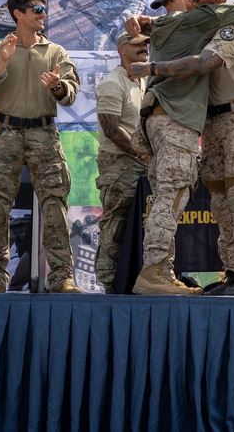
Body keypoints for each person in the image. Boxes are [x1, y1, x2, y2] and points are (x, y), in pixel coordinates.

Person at [126, 0, 234, 296]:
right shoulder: (198, 24)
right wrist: (141, 21)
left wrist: (152, 69)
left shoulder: (233, 28)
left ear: (215, 3)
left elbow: (206, 63)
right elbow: (164, 25)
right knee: (220, 200)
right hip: (211, 122)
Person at [0, 0, 81, 294]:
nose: (43, 13)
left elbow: (70, 94)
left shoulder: (56, 52)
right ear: (18, 14)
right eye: (37, 9)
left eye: (44, 9)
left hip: (44, 133)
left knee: (55, 204)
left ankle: (62, 277)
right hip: (6, 131)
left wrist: (58, 86)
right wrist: (1, 64)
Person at [93, 32, 152, 293]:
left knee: (143, 224)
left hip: (143, 163)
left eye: (145, 43)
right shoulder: (111, 83)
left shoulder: (145, 80)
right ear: (121, 49)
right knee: (116, 223)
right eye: (137, 44)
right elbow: (111, 129)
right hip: (118, 164)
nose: (144, 47)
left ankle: (137, 280)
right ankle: (110, 283)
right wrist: (141, 154)